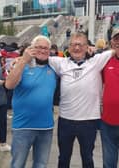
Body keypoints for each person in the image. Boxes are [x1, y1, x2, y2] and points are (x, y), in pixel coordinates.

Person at [47, 32, 115, 168]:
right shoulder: (60, 63)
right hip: (65, 120)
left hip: (89, 121)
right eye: (73, 44)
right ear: (68, 47)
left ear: (87, 46)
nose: (77, 48)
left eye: (80, 44)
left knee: (88, 158)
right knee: (63, 158)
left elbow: (115, 49)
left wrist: (97, 50)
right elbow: (39, 56)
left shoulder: (97, 61)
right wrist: (20, 59)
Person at [5, 35, 57, 168]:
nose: (43, 50)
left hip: (46, 127)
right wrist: (23, 60)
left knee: (41, 164)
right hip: (23, 126)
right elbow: (9, 85)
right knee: (18, 164)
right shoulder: (21, 65)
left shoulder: (54, 66)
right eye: (39, 47)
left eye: (46, 48)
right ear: (31, 48)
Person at [100, 28, 119, 168]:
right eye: (116, 38)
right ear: (111, 42)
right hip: (108, 122)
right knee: (109, 163)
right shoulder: (105, 61)